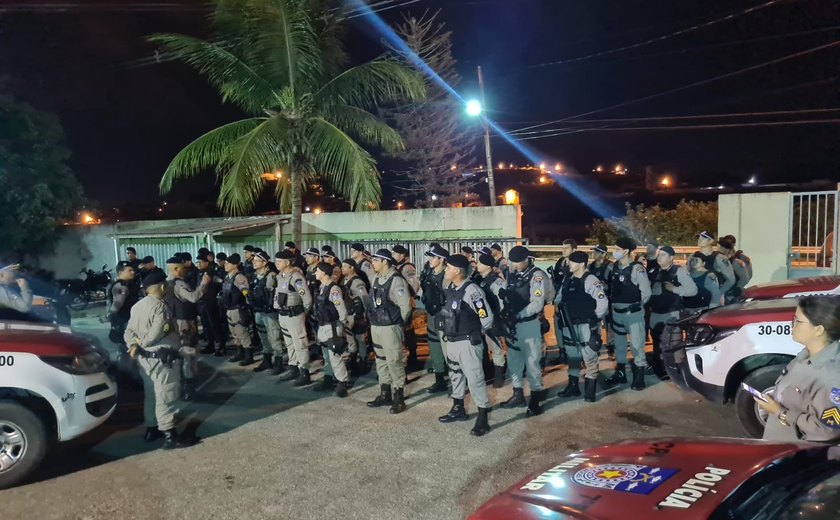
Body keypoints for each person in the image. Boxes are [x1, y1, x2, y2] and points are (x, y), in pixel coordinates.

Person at [124, 270, 197, 449]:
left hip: (145, 360)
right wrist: (142, 343)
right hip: (162, 359)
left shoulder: (137, 306)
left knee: (151, 395)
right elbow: (157, 333)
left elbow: (128, 332)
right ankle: (170, 435)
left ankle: (151, 428)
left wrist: (133, 345)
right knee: (167, 395)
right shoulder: (160, 307)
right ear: (163, 286)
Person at [759, 295, 840, 443]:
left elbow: (827, 431)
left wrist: (780, 412)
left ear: (818, 330)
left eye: (798, 321)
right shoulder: (805, 355)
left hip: (797, 455)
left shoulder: (830, 376)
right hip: (778, 444)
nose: (792, 324)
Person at [437, 254, 495, 436]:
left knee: (475, 379)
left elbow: (487, 318)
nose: (446, 270)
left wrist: (475, 332)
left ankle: (483, 418)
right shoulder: (452, 287)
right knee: (455, 375)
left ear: (457, 271)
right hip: (453, 341)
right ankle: (458, 409)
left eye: (448, 268)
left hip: (468, 343)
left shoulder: (472, 291)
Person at [499, 246, 553, 416]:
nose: (514, 266)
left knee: (532, 363)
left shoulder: (537, 276)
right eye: (512, 262)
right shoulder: (513, 273)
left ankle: (535, 399)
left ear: (526, 260)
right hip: (512, 325)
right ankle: (518, 394)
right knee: (514, 361)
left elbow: (538, 303)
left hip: (529, 324)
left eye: (517, 262)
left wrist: (518, 315)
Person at [555, 251, 609, 402]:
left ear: (581, 264)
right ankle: (573, 387)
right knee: (573, 357)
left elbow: (602, 303)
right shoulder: (568, 278)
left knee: (590, 357)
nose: (569, 264)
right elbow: (559, 298)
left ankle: (590, 392)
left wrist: (593, 319)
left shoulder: (590, 280)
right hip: (570, 325)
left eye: (572, 262)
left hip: (586, 325)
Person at [366, 249, 412, 414]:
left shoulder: (396, 280)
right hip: (376, 325)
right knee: (381, 359)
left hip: (390, 327)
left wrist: (399, 324)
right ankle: (385, 393)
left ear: (385, 261)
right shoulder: (377, 278)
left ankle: (399, 396)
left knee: (394, 360)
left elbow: (405, 307)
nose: (373, 263)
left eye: (376, 260)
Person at [605, 238, 651, 390]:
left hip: (633, 314)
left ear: (626, 251)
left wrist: (637, 307)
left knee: (637, 346)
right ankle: (621, 374)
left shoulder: (637, 269)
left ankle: (639, 378)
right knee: (619, 346)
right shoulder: (614, 266)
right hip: (617, 313)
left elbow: (646, 292)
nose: (615, 251)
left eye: (617, 248)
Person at [648, 246, 698, 379]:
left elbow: (693, 290)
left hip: (672, 314)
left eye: (663, 255)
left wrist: (675, 289)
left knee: (674, 345)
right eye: (659, 255)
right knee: (657, 344)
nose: (660, 257)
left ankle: (679, 372)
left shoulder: (678, 272)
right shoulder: (654, 271)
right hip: (655, 314)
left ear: (671, 258)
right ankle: (660, 369)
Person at [164, 257, 209, 401]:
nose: (185, 269)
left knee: (179, 354)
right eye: (182, 267)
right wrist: (204, 284)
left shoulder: (165, 283)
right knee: (188, 354)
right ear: (177, 269)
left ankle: (180, 386)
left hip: (174, 321)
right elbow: (193, 297)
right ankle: (189, 389)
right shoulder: (178, 284)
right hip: (184, 323)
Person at [312, 262, 352, 397]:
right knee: (326, 356)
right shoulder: (322, 287)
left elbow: (341, 310)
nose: (315, 273)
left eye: (317, 271)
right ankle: (328, 379)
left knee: (335, 356)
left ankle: (342, 382)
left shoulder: (333, 289)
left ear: (323, 272)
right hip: (323, 326)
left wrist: (341, 326)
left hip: (332, 327)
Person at [274, 250, 313, 383]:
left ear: (287, 262)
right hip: (283, 315)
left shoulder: (296, 277)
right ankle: (293, 367)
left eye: (279, 261)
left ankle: (304, 372)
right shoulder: (280, 276)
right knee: (289, 344)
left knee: (300, 344)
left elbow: (307, 299)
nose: (276, 264)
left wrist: (303, 314)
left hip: (294, 316)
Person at [249, 251, 287, 375]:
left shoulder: (271, 276)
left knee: (274, 337)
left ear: (264, 262)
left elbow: (273, 294)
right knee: (263, 337)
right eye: (253, 261)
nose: (254, 263)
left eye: (257, 261)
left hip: (270, 312)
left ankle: (278, 362)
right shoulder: (255, 275)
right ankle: (267, 360)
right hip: (259, 311)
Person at [419, 244, 449, 393]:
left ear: (441, 259)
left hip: (445, 317)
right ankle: (440, 380)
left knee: (449, 350)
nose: (430, 260)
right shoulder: (429, 273)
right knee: (435, 348)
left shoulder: (448, 274)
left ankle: (458, 384)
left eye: (433, 257)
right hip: (432, 316)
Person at [475, 253, 507, 388]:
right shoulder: (478, 279)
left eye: (480, 262)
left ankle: (499, 375)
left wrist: (499, 319)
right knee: (482, 348)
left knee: (496, 348)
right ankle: (488, 372)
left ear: (488, 266)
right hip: (480, 320)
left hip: (494, 319)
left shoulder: (496, 281)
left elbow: (503, 302)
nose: (477, 264)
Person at [220, 254, 255, 366]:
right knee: (234, 333)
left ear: (235, 265)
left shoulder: (239, 278)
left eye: (228, 263)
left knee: (242, 332)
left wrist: (247, 305)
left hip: (238, 309)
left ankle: (249, 356)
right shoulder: (228, 277)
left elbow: (245, 292)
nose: (225, 265)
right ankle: (240, 353)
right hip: (229, 309)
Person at [392, 244, 420, 370]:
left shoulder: (407, 267)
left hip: (406, 303)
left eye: (394, 253)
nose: (393, 256)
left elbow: (414, 284)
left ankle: (413, 360)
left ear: (402, 255)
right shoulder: (398, 266)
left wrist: (408, 299)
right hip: (400, 304)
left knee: (407, 332)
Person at [341, 258, 371, 375]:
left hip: (357, 317)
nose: (342, 269)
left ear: (351, 268)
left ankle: (363, 365)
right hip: (348, 316)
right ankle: (353, 364)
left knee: (360, 341)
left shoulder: (357, 283)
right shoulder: (344, 280)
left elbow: (365, 299)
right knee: (351, 341)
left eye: (345, 267)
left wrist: (365, 316)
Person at [196, 252, 226, 357]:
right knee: (206, 325)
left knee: (215, 324)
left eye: (200, 262)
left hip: (211, 302)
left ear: (206, 262)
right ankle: (210, 345)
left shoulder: (212, 272)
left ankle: (220, 346)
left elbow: (220, 284)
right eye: (197, 262)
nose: (198, 264)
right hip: (202, 302)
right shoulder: (199, 273)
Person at [589, 244, 614, 358]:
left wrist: (603, 286)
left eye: (597, 252)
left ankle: (611, 347)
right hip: (594, 301)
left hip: (607, 300)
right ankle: (596, 346)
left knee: (609, 325)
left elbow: (615, 284)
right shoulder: (590, 266)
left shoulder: (610, 266)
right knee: (595, 324)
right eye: (594, 251)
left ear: (604, 254)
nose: (594, 254)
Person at [694, 231, 736, 300]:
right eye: (699, 237)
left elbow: (731, 280)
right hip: (695, 299)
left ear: (711, 241)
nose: (700, 240)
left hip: (711, 300)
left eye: (704, 238)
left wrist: (718, 294)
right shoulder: (693, 256)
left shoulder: (719, 258)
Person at [107, 261, 140, 346]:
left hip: (128, 319)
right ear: (121, 273)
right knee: (126, 345)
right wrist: (109, 316)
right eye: (129, 270)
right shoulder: (121, 286)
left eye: (133, 270)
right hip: (123, 321)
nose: (133, 272)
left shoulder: (129, 284)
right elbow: (117, 304)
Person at [717, 237, 751, 302]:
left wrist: (734, 289)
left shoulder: (734, 262)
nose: (718, 249)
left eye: (720, 247)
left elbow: (745, 279)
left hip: (730, 295)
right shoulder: (718, 260)